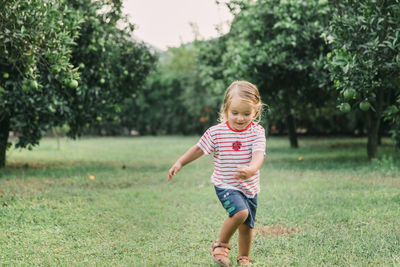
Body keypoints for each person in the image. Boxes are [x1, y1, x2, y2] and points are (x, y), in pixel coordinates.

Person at [167, 81, 266, 266]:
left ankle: (243, 257)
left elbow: (259, 155)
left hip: (250, 187)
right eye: (234, 113)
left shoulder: (257, 132)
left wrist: (252, 169)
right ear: (226, 109)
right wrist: (180, 162)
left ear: (256, 111)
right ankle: (220, 245)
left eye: (247, 113)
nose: (240, 118)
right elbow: (198, 149)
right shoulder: (216, 132)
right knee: (240, 213)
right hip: (226, 184)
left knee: (247, 225)